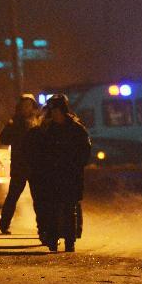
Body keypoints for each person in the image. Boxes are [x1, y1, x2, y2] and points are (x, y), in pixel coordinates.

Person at [27, 94, 91, 252]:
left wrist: (75, 166)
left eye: (56, 110)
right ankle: (53, 239)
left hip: (70, 176)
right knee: (52, 209)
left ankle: (70, 241)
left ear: (63, 110)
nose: (54, 114)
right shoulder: (47, 130)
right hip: (52, 176)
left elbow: (85, 152)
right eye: (52, 111)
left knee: (69, 209)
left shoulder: (76, 130)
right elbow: (39, 152)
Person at [0, 94, 39, 234]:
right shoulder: (15, 122)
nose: (27, 108)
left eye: (29, 105)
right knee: (13, 196)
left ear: (33, 107)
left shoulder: (37, 121)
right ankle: (4, 225)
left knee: (38, 197)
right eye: (24, 105)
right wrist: (12, 129)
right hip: (20, 165)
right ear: (19, 107)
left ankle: (42, 226)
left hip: (34, 165)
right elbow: (3, 139)